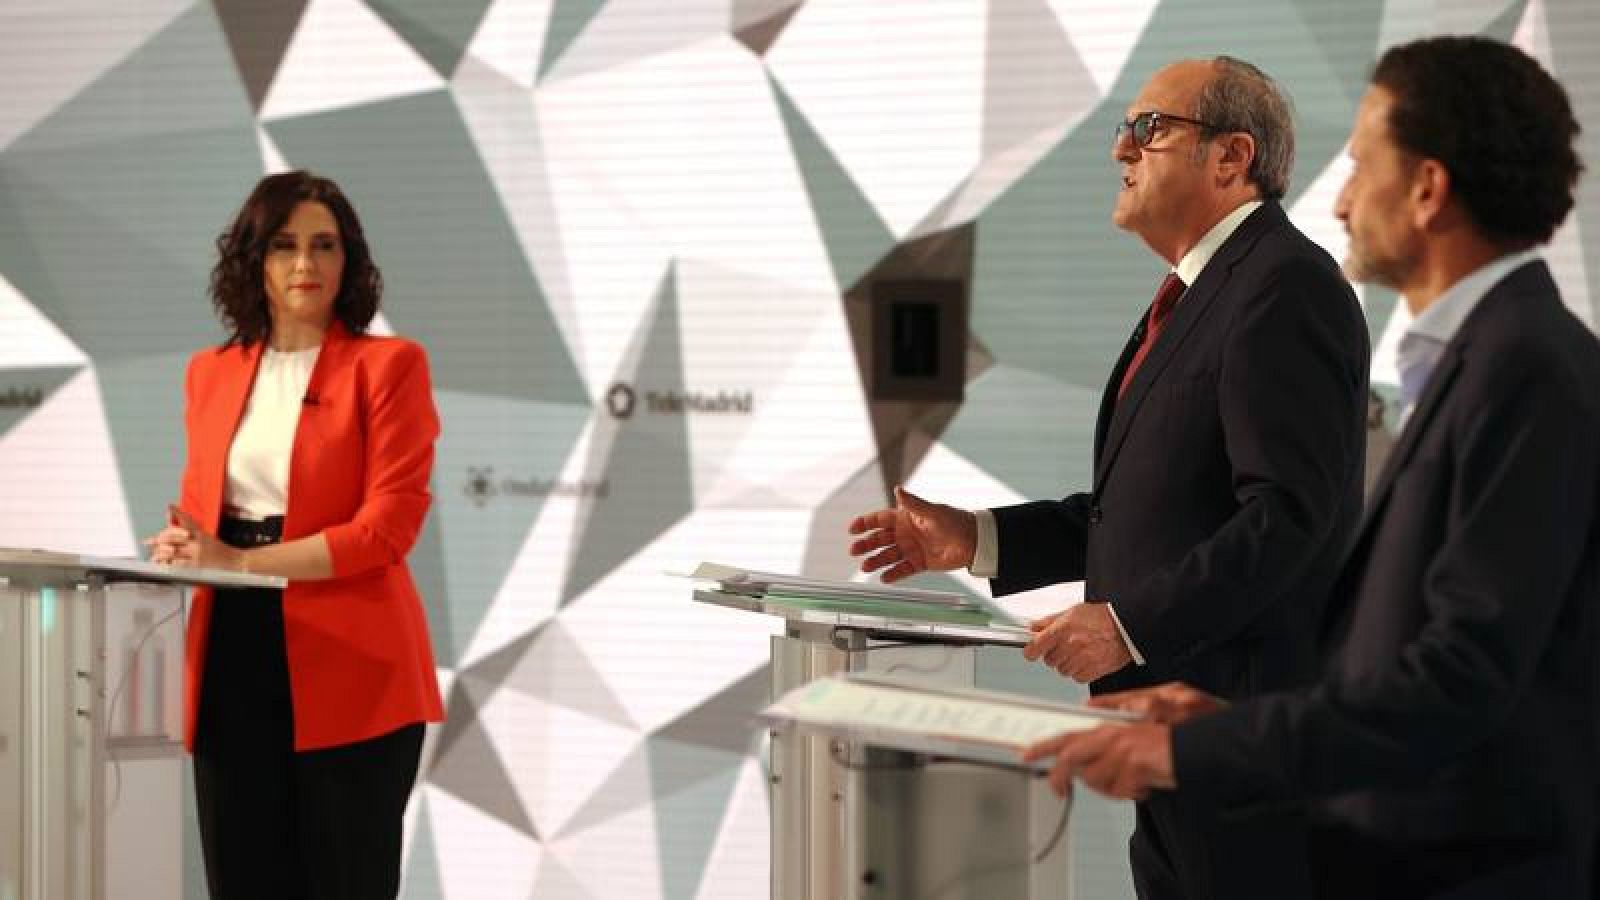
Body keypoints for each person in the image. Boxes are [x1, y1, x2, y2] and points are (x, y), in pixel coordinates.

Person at [1023, 36, 1598, 899]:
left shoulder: (1526, 368)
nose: (1341, 202)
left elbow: (1459, 676)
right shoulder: (1495, 357)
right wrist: (1226, 720)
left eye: (1362, 167)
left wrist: (1211, 744)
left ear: (1428, 189)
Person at [849, 57, 1370, 898]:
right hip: (1168, 737)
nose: (1121, 149)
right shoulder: (1202, 291)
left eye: (1148, 128)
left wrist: (1128, 625)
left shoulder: (1283, 285)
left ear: (1231, 156)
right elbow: (1149, 510)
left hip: (1236, 738)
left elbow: (1287, 517)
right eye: (1124, 128)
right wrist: (976, 538)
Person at [145, 171, 444, 900]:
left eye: (324, 245)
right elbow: (202, 507)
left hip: (355, 669)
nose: (305, 263)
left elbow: (385, 531)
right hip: (230, 655)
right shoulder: (209, 373)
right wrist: (187, 546)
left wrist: (238, 561)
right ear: (254, 260)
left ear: (350, 259)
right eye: (284, 245)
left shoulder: (390, 366)